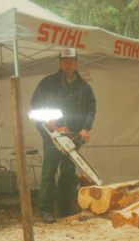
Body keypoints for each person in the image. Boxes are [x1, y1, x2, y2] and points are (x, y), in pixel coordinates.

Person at [31, 48, 97, 223]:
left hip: (73, 136)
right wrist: (47, 122)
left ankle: (64, 207)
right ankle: (45, 209)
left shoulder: (84, 87)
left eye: (72, 61)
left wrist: (85, 128)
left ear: (76, 62)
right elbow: (35, 106)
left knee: (68, 173)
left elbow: (91, 108)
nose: (69, 64)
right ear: (60, 63)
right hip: (52, 137)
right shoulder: (48, 83)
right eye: (65, 61)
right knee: (49, 172)